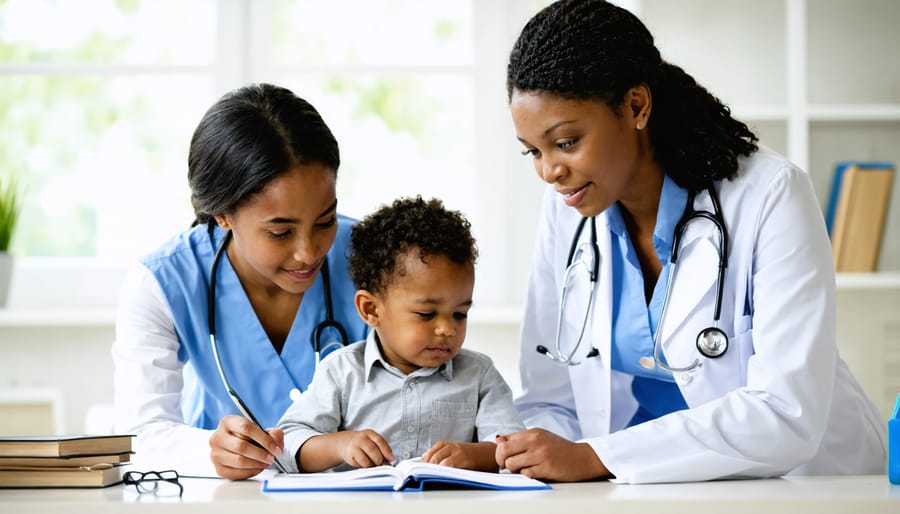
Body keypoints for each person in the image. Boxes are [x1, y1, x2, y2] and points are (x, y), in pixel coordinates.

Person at [494, 0, 886, 484]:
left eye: (567, 141)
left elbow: (786, 412)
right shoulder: (568, 209)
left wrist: (597, 457)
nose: (550, 170)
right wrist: (545, 458)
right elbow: (550, 400)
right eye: (533, 150)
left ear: (636, 106)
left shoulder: (770, 195)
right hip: (639, 487)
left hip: (802, 486)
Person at [112, 83, 369, 479]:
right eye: (281, 232)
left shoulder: (375, 259)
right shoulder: (163, 281)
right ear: (222, 215)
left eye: (325, 221)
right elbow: (139, 435)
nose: (309, 251)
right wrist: (209, 451)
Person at [278, 196, 524, 473]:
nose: (448, 329)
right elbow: (287, 444)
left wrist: (475, 455)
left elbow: (513, 447)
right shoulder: (341, 372)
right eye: (426, 314)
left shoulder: (479, 376)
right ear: (371, 309)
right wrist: (339, 445)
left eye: (460, 314)